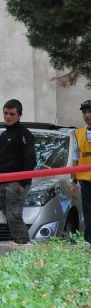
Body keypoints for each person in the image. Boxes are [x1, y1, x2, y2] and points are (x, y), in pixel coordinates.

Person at [0, 98, 36, 244]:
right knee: (8, 216)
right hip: (2, 181)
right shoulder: (4, 135)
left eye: (12, 114)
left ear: (19, 115)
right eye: (5, 113)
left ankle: (24, 246)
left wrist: (23, 182)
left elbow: (30, 160)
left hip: (16, 182)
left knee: (14, 216)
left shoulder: (25, 134)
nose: (8, 116)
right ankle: (18, 243)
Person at [71, 100, 91, 244]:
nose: (87, 115)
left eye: (90, 111)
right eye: (84, 112)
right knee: (88, 213)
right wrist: (73, 182)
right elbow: (76, 158)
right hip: (85, 181)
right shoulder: (78, 134)